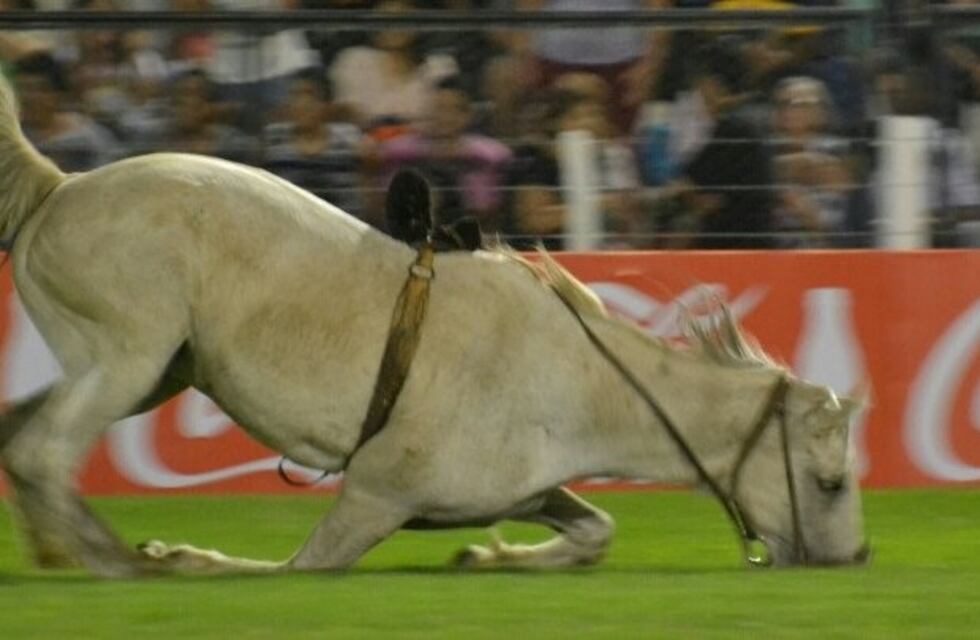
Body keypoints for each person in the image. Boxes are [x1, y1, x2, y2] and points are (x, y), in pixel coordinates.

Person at [670, 41, 775, 249]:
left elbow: (687, 189)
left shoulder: (734, 129)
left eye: (698, 86)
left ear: (711, 85)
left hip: (735, 251)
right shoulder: (749, 118)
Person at [380, 79, 512, 231]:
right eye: (437, 108)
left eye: (452, 109)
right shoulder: (400, 152)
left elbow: (489, 209)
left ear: (467, 115)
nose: (443, 116)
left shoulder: (490, 155)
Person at [263, 70, 374, 218]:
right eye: (295, 95)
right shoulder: (273, 139)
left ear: (327, 104)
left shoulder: (349, 139)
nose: (302, 104)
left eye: (310, 95)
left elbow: (367, 193)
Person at [14, 52, 121, 171]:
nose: (28, 98)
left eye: (38, 90)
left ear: (58, 95)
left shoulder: (89, 140)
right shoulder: (11, 135)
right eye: (22, 89)